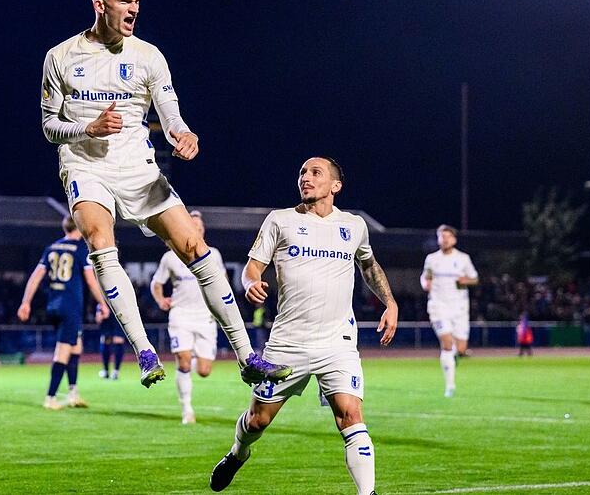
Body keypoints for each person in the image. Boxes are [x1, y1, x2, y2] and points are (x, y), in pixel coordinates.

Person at [40, 0, 289, 388]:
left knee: (197, 246)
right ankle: (144, 351)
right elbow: (49, 126)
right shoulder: (61, 56)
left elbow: (170, 112)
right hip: (86, 165)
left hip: (139, 167)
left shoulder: (149, 56)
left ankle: (248, 356)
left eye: (137, 1)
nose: (134, 8)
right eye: (125, 1)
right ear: (100, 5)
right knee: (102, 244)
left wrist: (183, 134)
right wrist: (88, 129)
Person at [209, 157, 398, 495]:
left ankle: (367, 493)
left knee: (350, 415)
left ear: (335, 186)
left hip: (338, 343)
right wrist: (250, 282)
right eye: (302, 173)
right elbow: (252, 268)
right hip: (288, 344)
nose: (306, 178)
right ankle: (238, 453)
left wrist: (391, 303)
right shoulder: (280, 220)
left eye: (315, 173)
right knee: (258, 421)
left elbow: (369, 266)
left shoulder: (354, 225)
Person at [18, 217, 110, 410]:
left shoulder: (52, 248)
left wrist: (26, 302)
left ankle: (73, 394)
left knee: (76, 347)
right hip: (70, 306)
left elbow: (35, 277)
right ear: (79, 227)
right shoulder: (80, 248)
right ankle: (50, 397)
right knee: (63, 350)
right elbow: (91, 281)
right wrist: (103, 303)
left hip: (53, 305)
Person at [150, 210, 221, 424]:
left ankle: (190, 360)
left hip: (205, 318)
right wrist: (161, 299)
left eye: (200, 227)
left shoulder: (213, 254)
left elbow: (222, 282)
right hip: (180, 316)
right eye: (193, 226)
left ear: (203, 230)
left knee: (204, 371)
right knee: (183, 361)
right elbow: (156, 283)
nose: (197, 230)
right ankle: (187, 410)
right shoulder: (171, 256)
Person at [420, 224, 478, 398]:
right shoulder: (432, 259)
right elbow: (426, 276)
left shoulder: (463, 258)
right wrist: (425, 283)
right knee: (446, 344)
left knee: (460, 348)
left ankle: (455, 356)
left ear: (454, 239)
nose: (444, 239)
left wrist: (465, 280)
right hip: (438, 306)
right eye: (441, 236)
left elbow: (474, 279)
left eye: (447, 236)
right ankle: (450, 386)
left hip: (459, 307)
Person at [97, 310, 125, 379]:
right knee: (106, 340)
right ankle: (108, 371)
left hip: (118, 308)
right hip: (110, 307)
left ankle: (114, 371)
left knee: (118, 340)